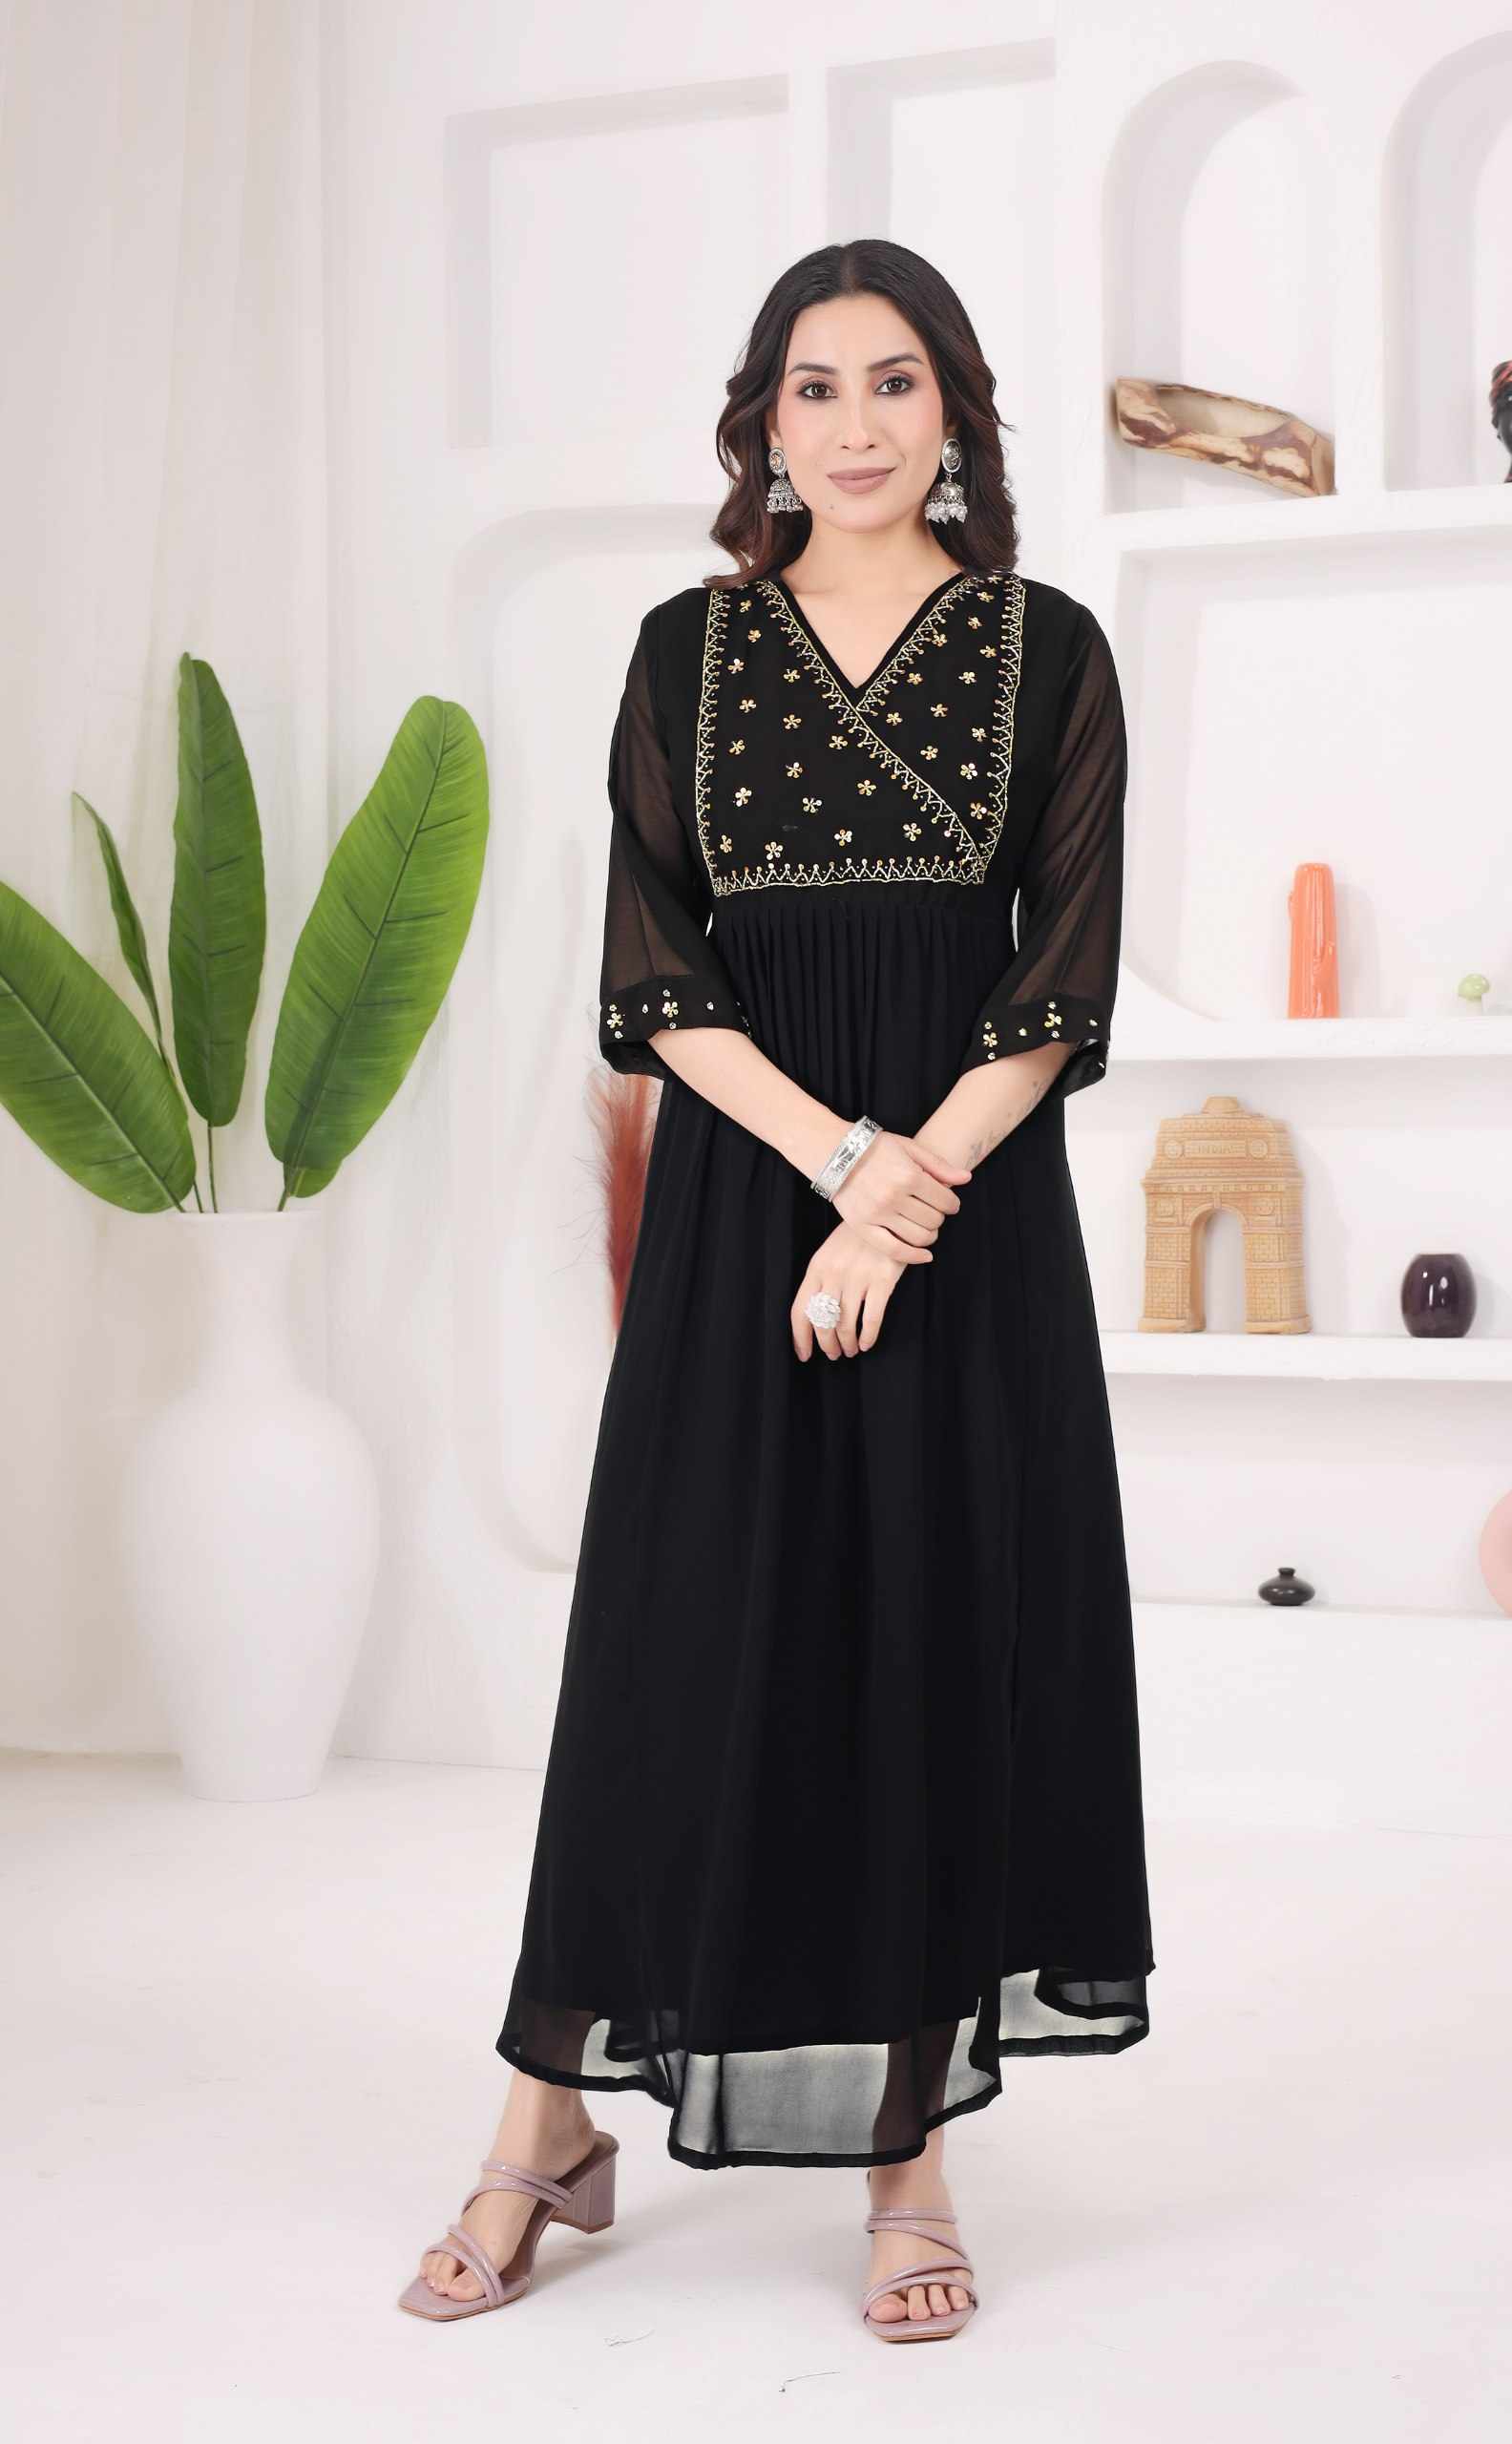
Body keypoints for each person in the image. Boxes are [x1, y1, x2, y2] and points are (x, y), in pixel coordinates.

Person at [400, 237, 1154, 2343]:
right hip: (750, 1211)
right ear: (763, 426)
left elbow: (1059, 980)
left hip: (967, 1227)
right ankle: (545, 2122)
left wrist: (901, 1210)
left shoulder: (1049, 651)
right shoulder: (685, 650)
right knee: (670, 1649)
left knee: (923, 1643)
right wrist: (835, 1169)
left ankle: (910, 2158)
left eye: (891, 382)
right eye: (811, 389)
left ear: (954, 412)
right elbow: (657, 975)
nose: (852, 425)